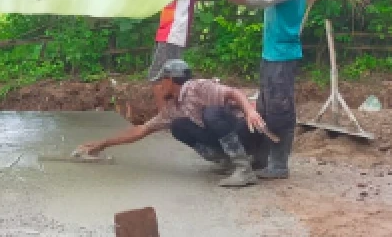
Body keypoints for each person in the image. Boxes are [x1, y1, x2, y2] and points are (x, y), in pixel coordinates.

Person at [197, 0, 308, 179]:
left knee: (280, 109)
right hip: (275, 52)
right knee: (267, 107)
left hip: (282, 54)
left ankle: (278, 165)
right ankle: (264, 158)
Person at [75, 59, 269, 188]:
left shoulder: (197, 87)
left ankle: (244, 169)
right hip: (233, 137)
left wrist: (250, 111)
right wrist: (103, 143)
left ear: (170, 81)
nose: (159, 87)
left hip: (248, 131)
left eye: (161, 82)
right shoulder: (173, 108)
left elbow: (233, 92)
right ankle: (227, 161)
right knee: (178, 127)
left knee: (211, 113)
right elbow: (141, 130)